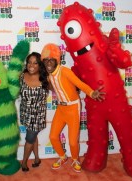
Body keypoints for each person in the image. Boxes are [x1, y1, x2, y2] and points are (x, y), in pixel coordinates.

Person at [41, 43, 105, 173]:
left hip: (73, 108)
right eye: (46, 60)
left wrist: (92, 93)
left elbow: (79, 84)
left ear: (56, 60)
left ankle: (75, 159)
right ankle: (63, 157)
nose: (48, 63)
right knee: (53, 136)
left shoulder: (64, 71)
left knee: (72, 142)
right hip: (61, 108)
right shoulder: (47, 75)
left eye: (51, 60)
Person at [19, 52, 49, 172]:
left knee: (30, 138)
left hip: (37, 116)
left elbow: (59, 87)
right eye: (29, 62)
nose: (31, 65)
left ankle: (24, 162)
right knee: (33, 137)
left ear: (40, 65)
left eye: (35, 63)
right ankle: (37, 159)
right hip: (25, 113)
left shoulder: (46, 78)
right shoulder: (21, 76)